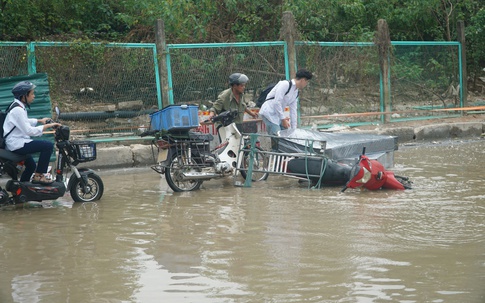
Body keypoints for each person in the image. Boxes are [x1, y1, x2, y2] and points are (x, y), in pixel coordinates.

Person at [4, 81, 61, 184]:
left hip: (17, 142)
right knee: (47, 146)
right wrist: (47, 126)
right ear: (24, 96)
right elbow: (29, 130)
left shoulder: (17, 106)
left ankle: (21, 188)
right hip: (16, 144)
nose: (34, 96)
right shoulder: (18, 110)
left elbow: (23, 122)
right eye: (32, 94)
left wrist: (40, 121)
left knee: (31, 166)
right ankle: (39, 176)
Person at [259, 69, 313, 137]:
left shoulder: (296, 92)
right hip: (269, 112)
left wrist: (294, 130)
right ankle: (275, 147)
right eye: (306, 81)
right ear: (303, 80)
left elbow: (293, 111)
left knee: (287, 134)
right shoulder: (285, 84)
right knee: (277, 136)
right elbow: (277, 102)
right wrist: (283, 119)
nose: (306, 84)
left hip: (278, 115)